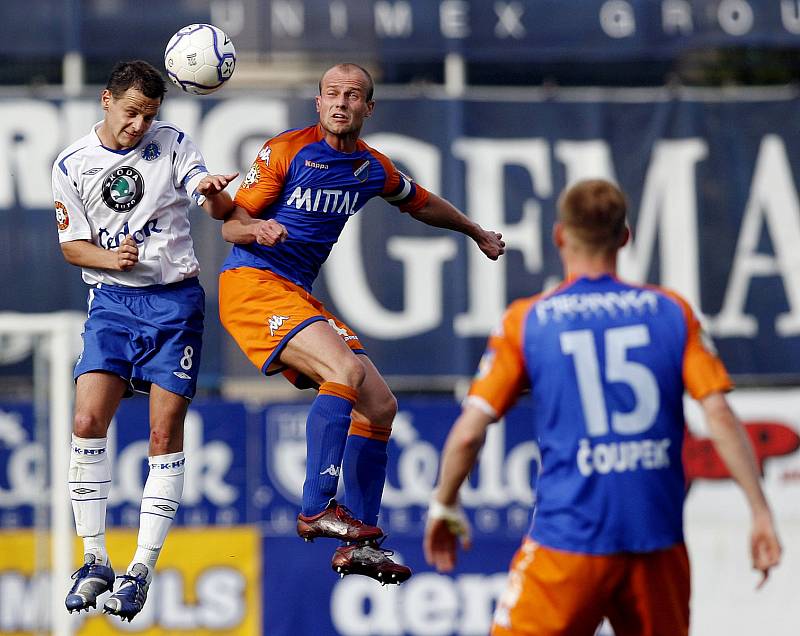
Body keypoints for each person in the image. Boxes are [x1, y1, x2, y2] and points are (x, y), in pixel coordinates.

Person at [423, 179, 782, 635]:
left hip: (567, 543)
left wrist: (444, 505)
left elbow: (471, 431)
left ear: (559, 236)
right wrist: (760, 511)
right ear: (625, 236)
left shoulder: (529, 320)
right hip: (656, 545)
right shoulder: (671, 311)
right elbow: (719, 415)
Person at [218, 62, 505, 584]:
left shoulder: (372, 168)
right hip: (253, 286)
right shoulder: (286, 150)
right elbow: (230, 227)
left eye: (353, 96)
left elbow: (421, 204)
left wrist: (475, 231)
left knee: (379, 404)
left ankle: (361, 545)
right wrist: (257, 229)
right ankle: (315, 508)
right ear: (318, 102)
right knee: (344, 373)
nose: (341, 103)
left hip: (298, 294)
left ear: (368, 108)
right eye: (332, 93)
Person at [51, 60, 237, 622]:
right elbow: (71, 245)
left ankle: (141, 569)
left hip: (175, 304)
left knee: (163, 431)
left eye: (149, 115)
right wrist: (111, 259)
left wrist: (209, 190)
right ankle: (94, 560)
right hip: (111, 301)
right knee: (87, 422)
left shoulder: (174, 143)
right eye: (131, 112)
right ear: (107, 101)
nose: (138, 125)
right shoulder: (72, 164)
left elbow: (208, 196)